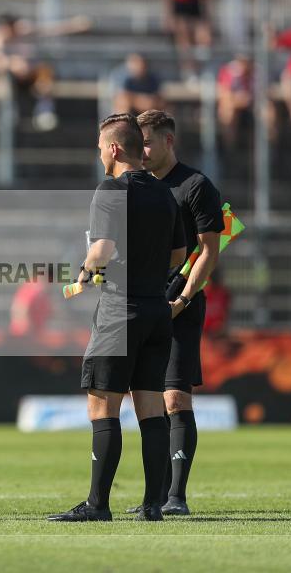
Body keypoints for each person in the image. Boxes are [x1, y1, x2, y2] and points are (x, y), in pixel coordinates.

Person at [48, 113, 186, 522]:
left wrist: (86, 271)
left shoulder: (110, 189)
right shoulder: (165, 193)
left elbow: (103, 249)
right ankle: (152, 505)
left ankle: (97, 505)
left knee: (103, 407)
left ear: (113, 149)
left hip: (119, 311)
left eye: (100, 150)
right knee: (150, 409)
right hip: (156, 312)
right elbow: (178, 257)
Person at [129, 109, 224, 517]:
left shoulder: (195, 186)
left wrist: (182, 301)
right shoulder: (135, 186)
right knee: (145, 399)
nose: (141, 151)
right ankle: (154, 496)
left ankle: (176, 496)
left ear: (169, 141)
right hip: (142, 302)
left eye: (147, 143)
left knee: (175, 398)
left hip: (180, 306)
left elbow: (209, 251)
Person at [0, 13, 90, 132]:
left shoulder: (23, 30)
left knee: (45, 72)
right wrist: (13, 63)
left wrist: (73, 25)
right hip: (10, 76)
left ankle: (44, 110)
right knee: (2, 80)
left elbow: (50, 30)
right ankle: (8, 110)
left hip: (30, 74)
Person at [164, 0, 214, 84]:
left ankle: (200, 68)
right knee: (184, 39)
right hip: (180, 6)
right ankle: (188, 70)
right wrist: (168, 15)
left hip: (196, 6)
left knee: (203, 38)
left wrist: (208, 17)